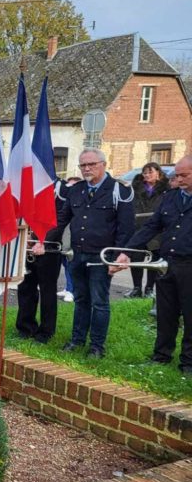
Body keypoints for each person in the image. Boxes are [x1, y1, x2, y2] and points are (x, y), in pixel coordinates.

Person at [114, 155, 192, 374]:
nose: (179, 179)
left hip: (190, 265)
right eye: (176, 175)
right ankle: (161, 356)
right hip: (168, 263)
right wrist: (127, 250)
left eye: (184, 175)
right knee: (166, 313)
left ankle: (188, 363)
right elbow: (151, 226)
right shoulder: (171, 198)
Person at [58, 148, 135, 358]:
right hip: (79, 254)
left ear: (103, 164)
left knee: (100, 302)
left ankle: (97, 347)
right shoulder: (76, 190)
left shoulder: (119, 190)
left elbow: (126, 227)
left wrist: (119, 254)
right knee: (81, 300)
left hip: (102, 256)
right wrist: (43, 240)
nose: (87, 168)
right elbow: (62, 220)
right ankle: (77, 340)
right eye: (83, 165)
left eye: (91, 164)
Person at [16, 179, 69, 343]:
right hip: (26, 243)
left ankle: (46, 331)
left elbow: (60, 219)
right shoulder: (25, 181)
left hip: (48, 247)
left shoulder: (59, 187)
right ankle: (26, 327)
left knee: (47, 290)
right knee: (25, 287)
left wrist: (42, 240)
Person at [128, 162, 169, 299]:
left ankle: (150, 288)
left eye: (150, 172)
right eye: (145, 172)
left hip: (157, 230)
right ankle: (136, 288)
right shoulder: (135, 188)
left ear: (158, 173)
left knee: (154, 261)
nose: (147, 175)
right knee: (136, 259)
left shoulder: (166, 189)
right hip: (138, 228)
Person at [57, 177, 80, 303]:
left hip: (73, 236)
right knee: (66, 264)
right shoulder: (65, 200)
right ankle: (68, 288)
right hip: (63, 235)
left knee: (71, 264)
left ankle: (72, 291)